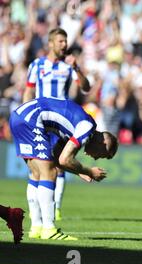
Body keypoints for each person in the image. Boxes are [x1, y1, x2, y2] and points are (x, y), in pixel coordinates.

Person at [9, 97, 118, 240]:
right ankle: (49, 229)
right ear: (102, 143)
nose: (96, 158)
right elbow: (64, 159)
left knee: (36, 174)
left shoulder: (77, 126)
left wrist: (79, 171)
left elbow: (57, 158)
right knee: (49, 173)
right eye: (102, 155)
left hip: (19, 116)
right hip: (32, 118)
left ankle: (36, 228)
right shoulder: (86, 128)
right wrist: (89, 171)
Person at [23, 27, 91, 221]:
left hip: (60, 122)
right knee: (37, 169)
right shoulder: (36, 65)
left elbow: (86, 87)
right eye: (60, 41)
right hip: (38, 119)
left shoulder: (68, 66)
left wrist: (77, 68)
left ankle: (56, 207)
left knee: (58, 165)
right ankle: (38, 218)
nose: (64, 45)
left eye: (65, 41)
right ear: (50, 43)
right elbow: (28, 91)